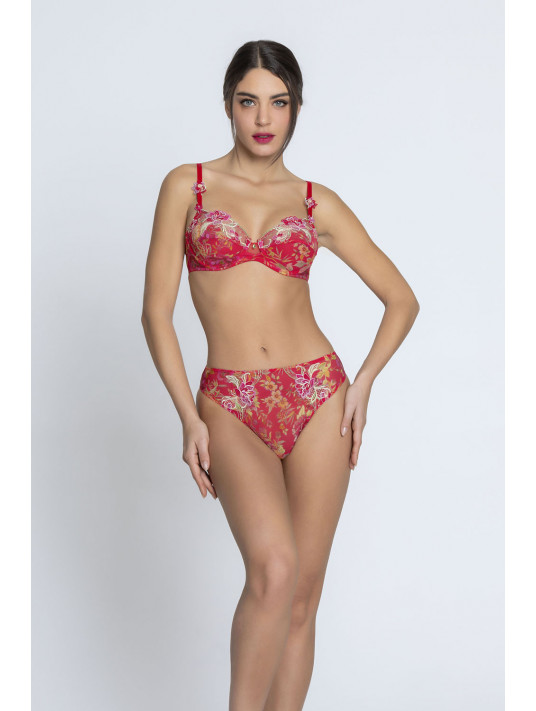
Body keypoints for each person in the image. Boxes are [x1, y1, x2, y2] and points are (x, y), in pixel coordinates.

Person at [141, 39, 419, 711]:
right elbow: (155, 313)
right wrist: (188, 417)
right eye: (249, 102)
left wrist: (363, 383)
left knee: (303, 593)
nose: (264, 118)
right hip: (229, 400)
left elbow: (402, 299)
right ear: (228, 106)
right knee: (274, 567)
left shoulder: (315, 201)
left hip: (319, 394)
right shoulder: (187, 186)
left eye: (279, 102)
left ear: (295, 109)